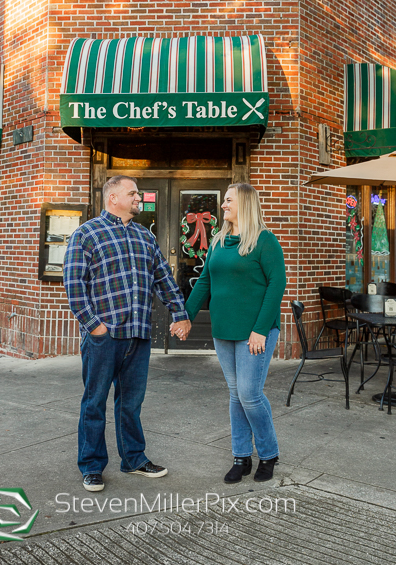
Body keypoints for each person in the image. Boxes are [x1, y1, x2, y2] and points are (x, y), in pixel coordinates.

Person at [63, 175, 191, 492]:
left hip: (138, 334)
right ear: (113, 198)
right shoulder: (86, 234)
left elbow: (163, 277)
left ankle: (133, 459)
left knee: (130, 404)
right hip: (103, 337)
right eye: (132, 193)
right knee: (94, 403)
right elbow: (74, 285)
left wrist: (180, 313)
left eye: (138, 193)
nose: (138, 197)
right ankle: (92, 467)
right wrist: (94, 325)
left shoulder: (145, 237)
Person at [185, 183, 286, 484]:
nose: (224, 205)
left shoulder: (265, 241)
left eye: (229, 200)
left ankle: (268, 454)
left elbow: (276, 285)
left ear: (244, 203)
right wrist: (185, 317)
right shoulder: (218, 241)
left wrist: (260, 330)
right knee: (235, 394)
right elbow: (204, 282)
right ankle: (241, 456)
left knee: (250, 395)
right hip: (224, 330)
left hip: (253, 332)